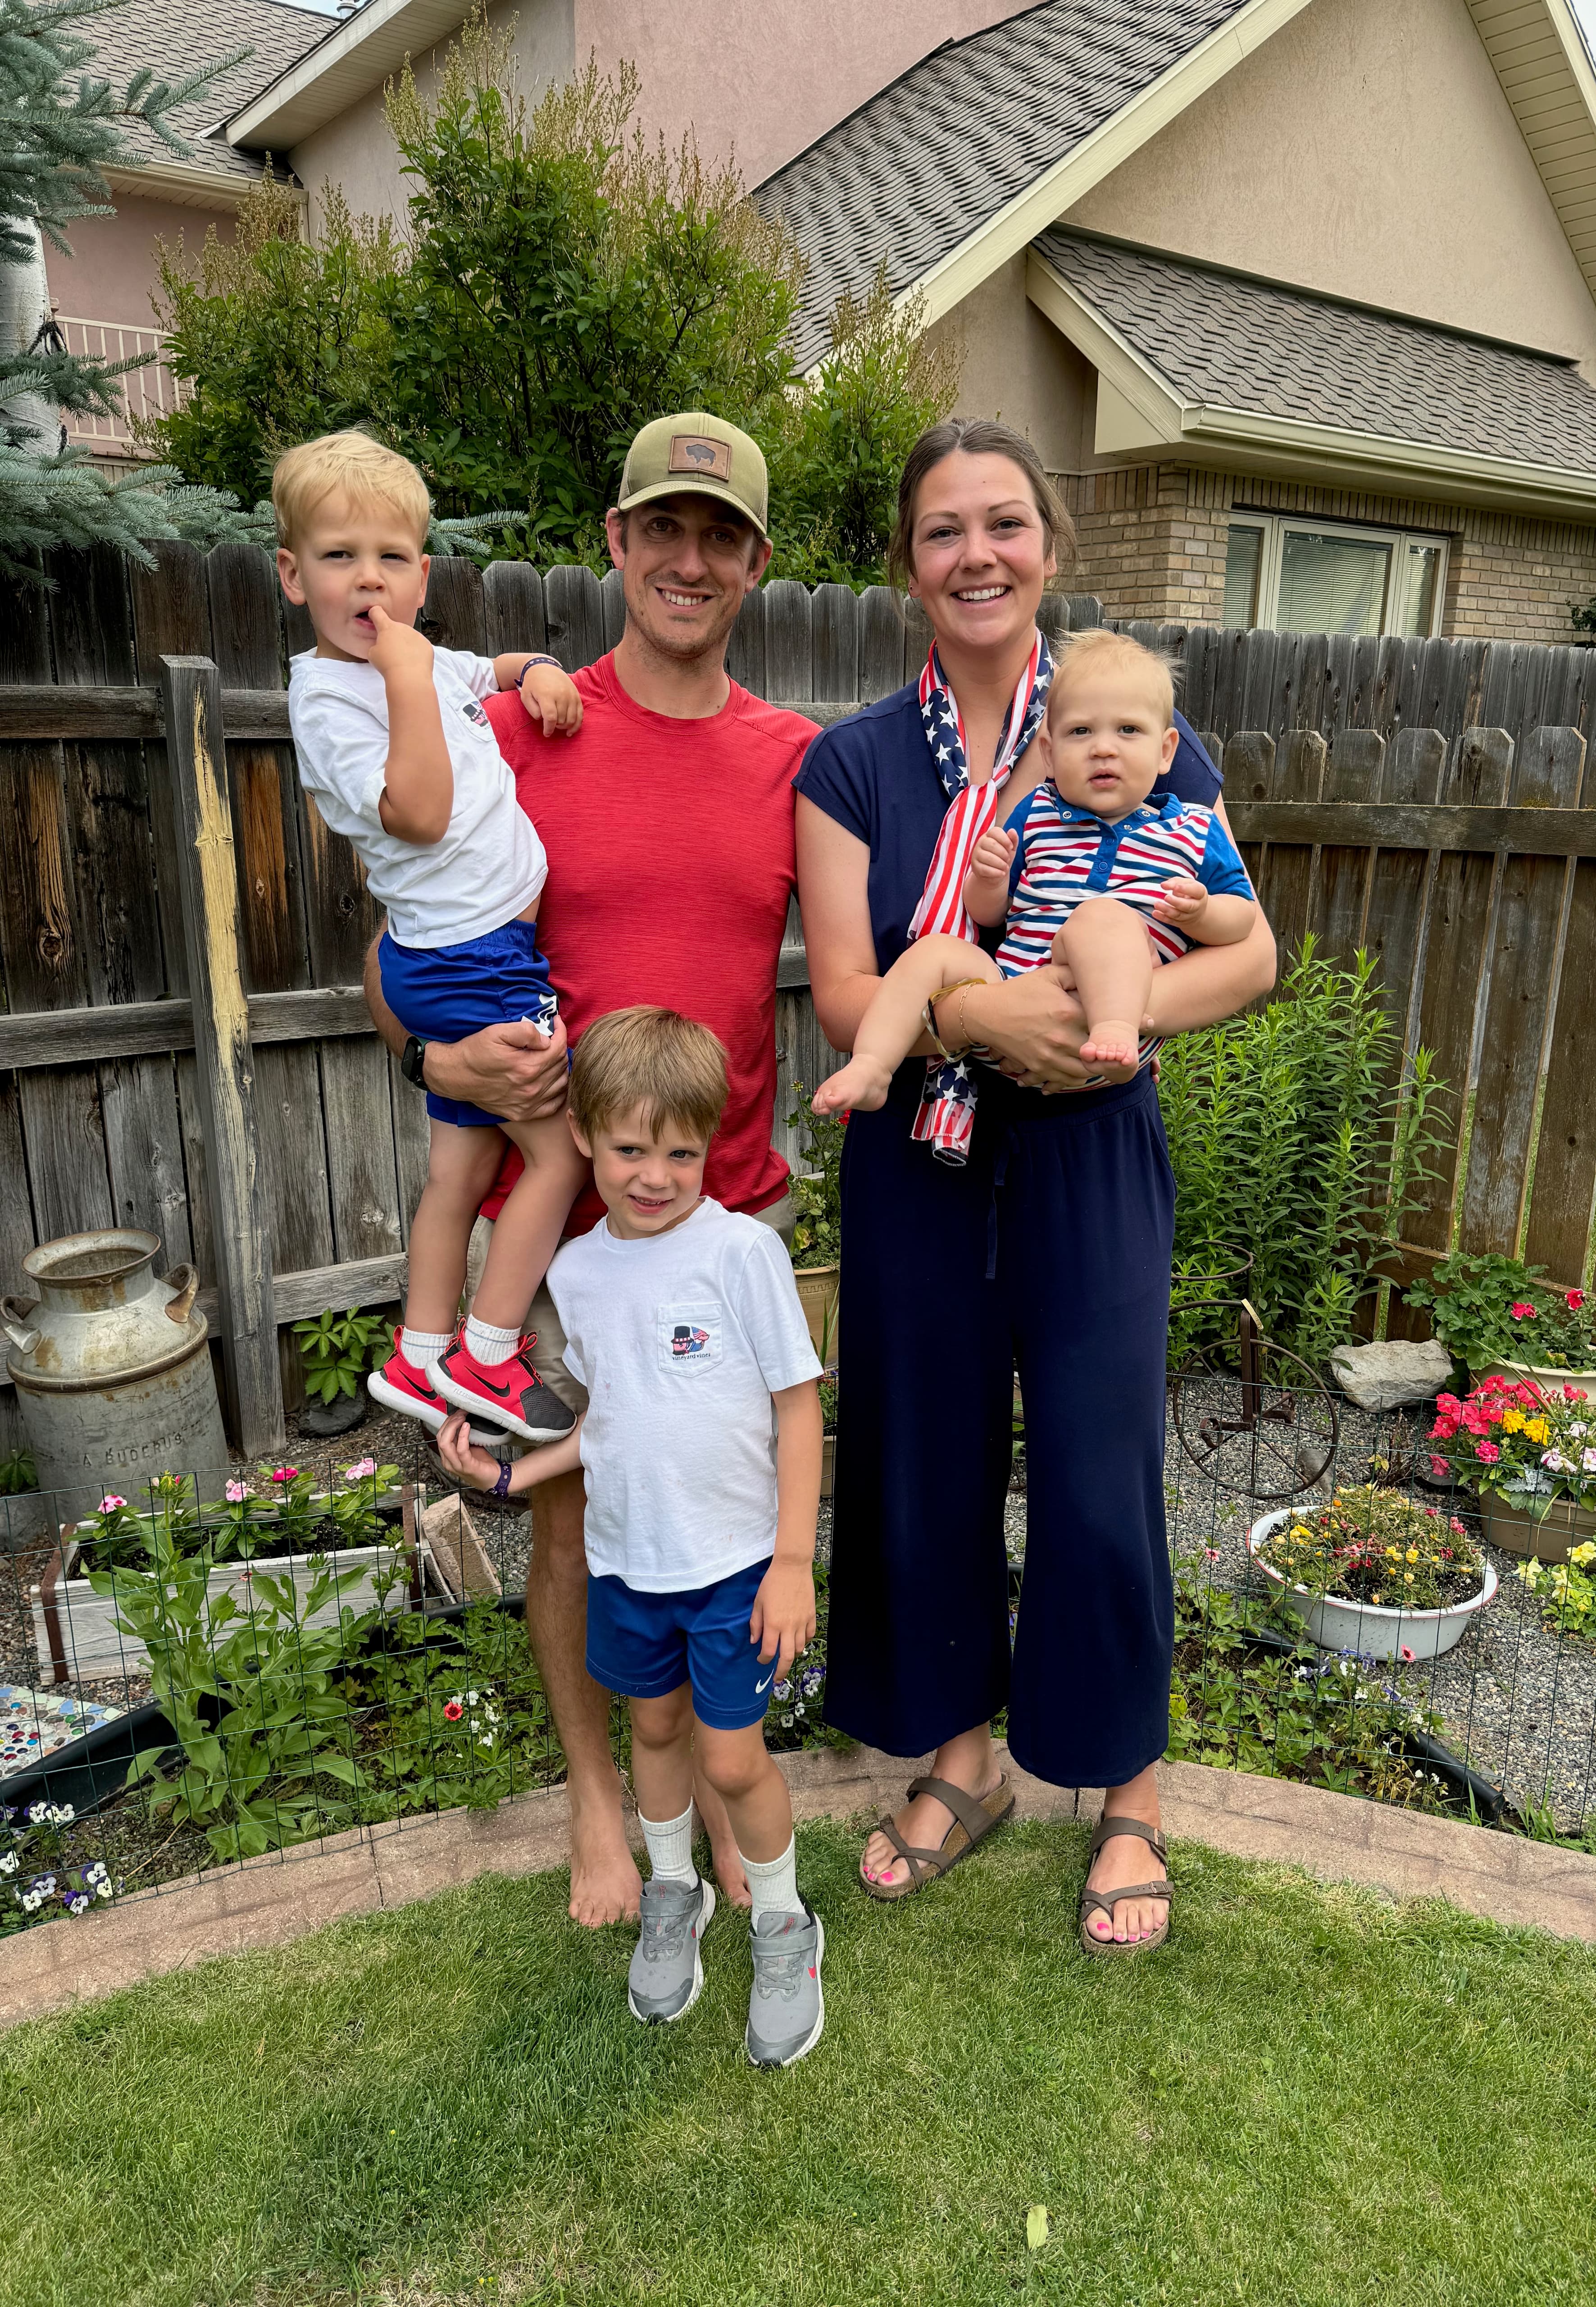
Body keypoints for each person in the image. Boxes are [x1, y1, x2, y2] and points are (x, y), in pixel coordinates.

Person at [796, 418, 1277, 1953]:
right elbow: (842, 994)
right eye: (944, 530)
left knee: (1096, 1464)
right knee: (925, 1459)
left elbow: (1249, 953)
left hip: (1091, 1152)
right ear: (908, 568)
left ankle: (1127, 1790)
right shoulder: (853, 762)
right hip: (923, 1148)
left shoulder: (1134, 722)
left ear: (1049, 550)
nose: (978, 553)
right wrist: (979, 1012)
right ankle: (960, 1763)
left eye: (1006, 522)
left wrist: (1099, 1043)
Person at [362, 413, 817, 1926]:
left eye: (722, 537)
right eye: (663, 531)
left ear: (755, 563)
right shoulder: (515, 731)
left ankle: (712, 1788)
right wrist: (434, 1062)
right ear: (616, 542)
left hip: (731, 1207)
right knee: (576, 1520)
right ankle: (599, 1805)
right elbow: (396, 953)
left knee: (717, 1519)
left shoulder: (797, 764)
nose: (691, 561)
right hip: (551, 1223)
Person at [437, 1007, 827, 2066]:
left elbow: (798, 1410)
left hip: (736, 1568)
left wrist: (791, 1563)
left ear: (709, 1144)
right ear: (585, 1139)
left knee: (733, 1761)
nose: (654, 1174)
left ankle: (786, 1923)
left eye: (681, 1151)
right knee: (651, 1735)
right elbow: (605, 1420)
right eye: (628, 1148)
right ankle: (673, 1894)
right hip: (626, 1564)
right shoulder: (577, 1273)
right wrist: (512, 1472)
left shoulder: (742, 1253)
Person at [277, 431, 585, 1446]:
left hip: (463, 957)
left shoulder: (422, 659)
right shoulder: (329, 698)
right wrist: (406, 670)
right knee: (561, 1157)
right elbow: (415, 810)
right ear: (293, 576)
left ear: (421, 572)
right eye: (339, 556)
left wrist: (531, 664)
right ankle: (487, 1355)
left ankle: (416, 1354)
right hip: (474, 963)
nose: (369, 579)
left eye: (393, 558)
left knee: (458, 1174)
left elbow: (477, 669)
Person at [812, 627, 1255, 1157]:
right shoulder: (1039, 816)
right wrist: (988, 879)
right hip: (1008, 995)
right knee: (932, 953)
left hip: (1105, 1038)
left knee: (1105, 920)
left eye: (1128, 730)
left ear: (1166, 751)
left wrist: (1203, 914)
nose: (1104, 748)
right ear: (1049, 751)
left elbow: (1243, 922)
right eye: (1081, 732)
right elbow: (987, 913)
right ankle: (873, 1065)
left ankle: (1111, 1025)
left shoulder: (1192, 830)